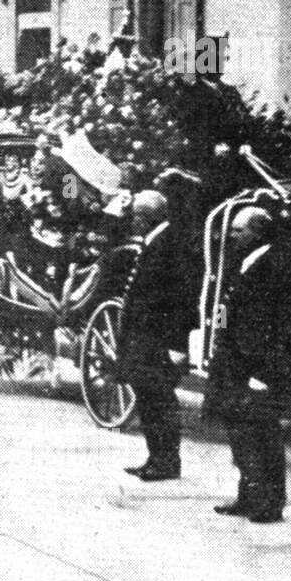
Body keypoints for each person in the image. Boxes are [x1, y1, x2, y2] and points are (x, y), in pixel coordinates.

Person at [204, 207, 291, 523]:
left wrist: (266, 373)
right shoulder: (242, 262)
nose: (232, 236)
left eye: (238, 231)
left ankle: (269, 502)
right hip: (234, 363)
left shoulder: (276, 266)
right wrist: (219, 335)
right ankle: (249, 495)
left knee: (263, 437)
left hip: (257, 369)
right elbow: (225, 306)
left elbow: (284, 328)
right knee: (241, 436)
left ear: (258, 232)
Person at [117, 191, 187, 481]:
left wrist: (176, 344)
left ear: (148, 217)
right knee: (147, 400)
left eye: (136, 215)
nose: (133, 221)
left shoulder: (170, 245)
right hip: (145, 338)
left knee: (160, 401)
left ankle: (167, 461)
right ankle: (155, 457)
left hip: (158, 341)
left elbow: (182, 299)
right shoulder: (157, 240)